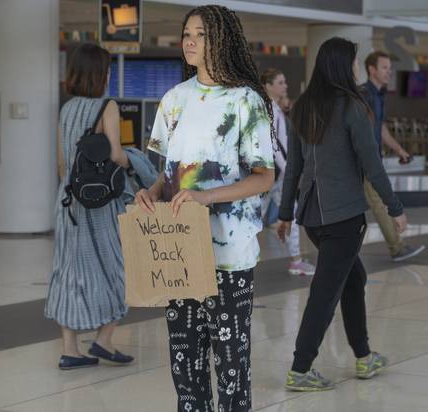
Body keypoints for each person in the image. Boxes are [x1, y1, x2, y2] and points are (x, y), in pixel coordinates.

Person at [135, 5, 274, 411]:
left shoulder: (245, 101)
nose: (190, 41)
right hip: (180, 253)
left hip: (228, 253)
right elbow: (169, 173)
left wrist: (206, 197)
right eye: (186, 33)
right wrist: (152, 192)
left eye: (200, 34)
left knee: (230, 364)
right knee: (186, 368)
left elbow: (265, 176)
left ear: (222, 40)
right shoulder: (174, 100)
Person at [277, 37, 408, 391]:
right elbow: (372, 164)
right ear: (343, 66)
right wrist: (395, 208)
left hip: (313, 217)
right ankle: (300, 368)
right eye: (353, 64)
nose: (355, 70)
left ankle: (364, 357)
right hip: (344, 217)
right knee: (325, 292)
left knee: (354, 278)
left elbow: (294, 168)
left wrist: (286, 212)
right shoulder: (352, 105)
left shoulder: (303, 106)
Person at [45, 43, 134, 370]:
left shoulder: (66, 109)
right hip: (98, 205)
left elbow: (61, 163)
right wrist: (135, 162)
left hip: (67, 202)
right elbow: (114, 154)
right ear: (101, 73)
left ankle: (70, 349)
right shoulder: (107, 106)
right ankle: (103, 339)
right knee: (118, 268)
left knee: (69, 272)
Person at [362, 50, 425, 262]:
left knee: (374, 202)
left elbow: (380, 128)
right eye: (385, 68)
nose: (390, 72)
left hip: (373, 160)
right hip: (364, 162)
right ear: (372, 69)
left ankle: (396, 247)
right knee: (378, 202)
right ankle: (397, 247)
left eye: (390, 68)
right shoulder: (364, 94)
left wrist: (399, 150)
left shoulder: (379, 95)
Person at [260, 68, 315, 276]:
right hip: (275, 173)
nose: (285, 85)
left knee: (261, 216)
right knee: (257, 217)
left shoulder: (272, 108)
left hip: (274, 174)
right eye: (280, 82)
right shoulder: (270, 110)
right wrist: (287, 170)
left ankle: (296, 260)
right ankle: (296, 261)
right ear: (268, 86)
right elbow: (273, 145)